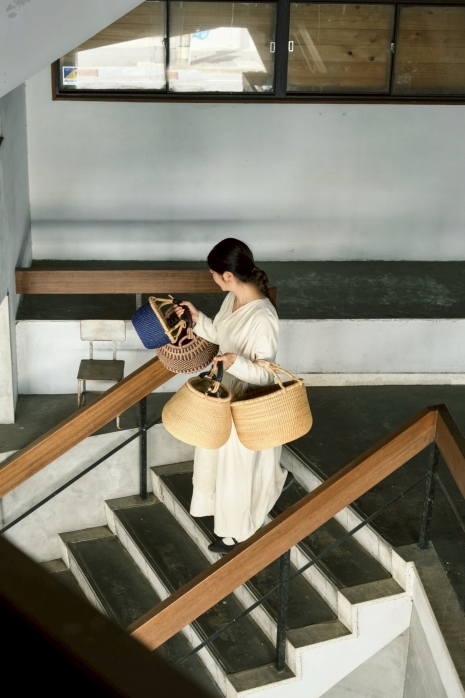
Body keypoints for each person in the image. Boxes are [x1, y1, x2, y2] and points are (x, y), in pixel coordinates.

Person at [174, 238, 293, 555]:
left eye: (214, 275)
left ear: (228, 275)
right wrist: (197, 318)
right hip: (224, 392)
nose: (213, 279)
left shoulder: (263, 317)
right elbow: (220, 334)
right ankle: (272, 483)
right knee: (216, 456)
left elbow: (267, 374)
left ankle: (236, 533)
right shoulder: (232, 298)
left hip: (247, 400)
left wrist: (234, 362)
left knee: (235, 469)